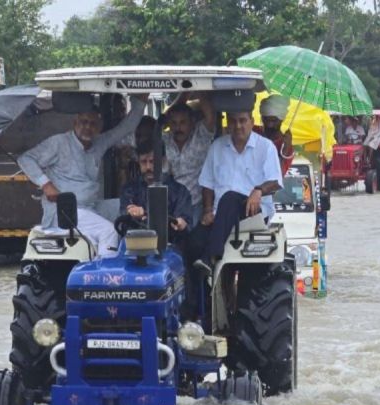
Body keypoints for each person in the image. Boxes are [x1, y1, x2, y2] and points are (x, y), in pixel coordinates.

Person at [18, 96, 147, 258]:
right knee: (108, 230)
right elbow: (25, 159)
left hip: (90, 207)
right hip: (65, 213)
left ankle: (132, 260)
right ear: (75, 123)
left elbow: (127, 127)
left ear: (99, 127)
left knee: (129, 208)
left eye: (93, 124)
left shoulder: (99, 143)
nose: (88, 127)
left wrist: (142, 99)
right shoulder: (59, 143)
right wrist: (46, 184)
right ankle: (103, 277)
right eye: (83, 122)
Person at [189, 107, 283, 275]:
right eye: (233, 121)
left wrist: (259, 190)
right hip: (220, 217)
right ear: (227, 123)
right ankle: (198, 297)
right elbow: (207, 184)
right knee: (192, 242)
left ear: (252, 122)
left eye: (242, 120)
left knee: (230, 197)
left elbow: (276, 181)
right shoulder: (217, 147)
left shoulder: (266, 147)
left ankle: (211, 256)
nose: (238, 126)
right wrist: (208, 210)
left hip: (254, 213)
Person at [119, 140, 193, 241]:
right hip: (136, 245)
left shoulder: (180, 191)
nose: (148, 167)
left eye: (152, 162)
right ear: (138, 163)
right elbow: (123, 218)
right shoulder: (129, 189)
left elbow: (186, 226)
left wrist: (182, 224)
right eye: (144, 162)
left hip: (169, 247)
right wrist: (133, 213)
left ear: (163, 161)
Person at [162, 93, 215, 227]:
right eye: (174, 123)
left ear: (192, 122)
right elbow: (161, 121)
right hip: (169, 203)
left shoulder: (201, 136)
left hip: (195, 203)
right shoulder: (164, 140)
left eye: (182, 122)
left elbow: (210, 117)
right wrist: (184, 95)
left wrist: (197, 87)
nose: (178, 128)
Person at [255, 94, 294, 176]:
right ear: (262, 118)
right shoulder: (253, 131)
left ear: (281, 120)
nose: (269, 125)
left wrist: (285, 150)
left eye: (273, 120)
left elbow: (278, 177)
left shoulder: (287, 147)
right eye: (266, 120)